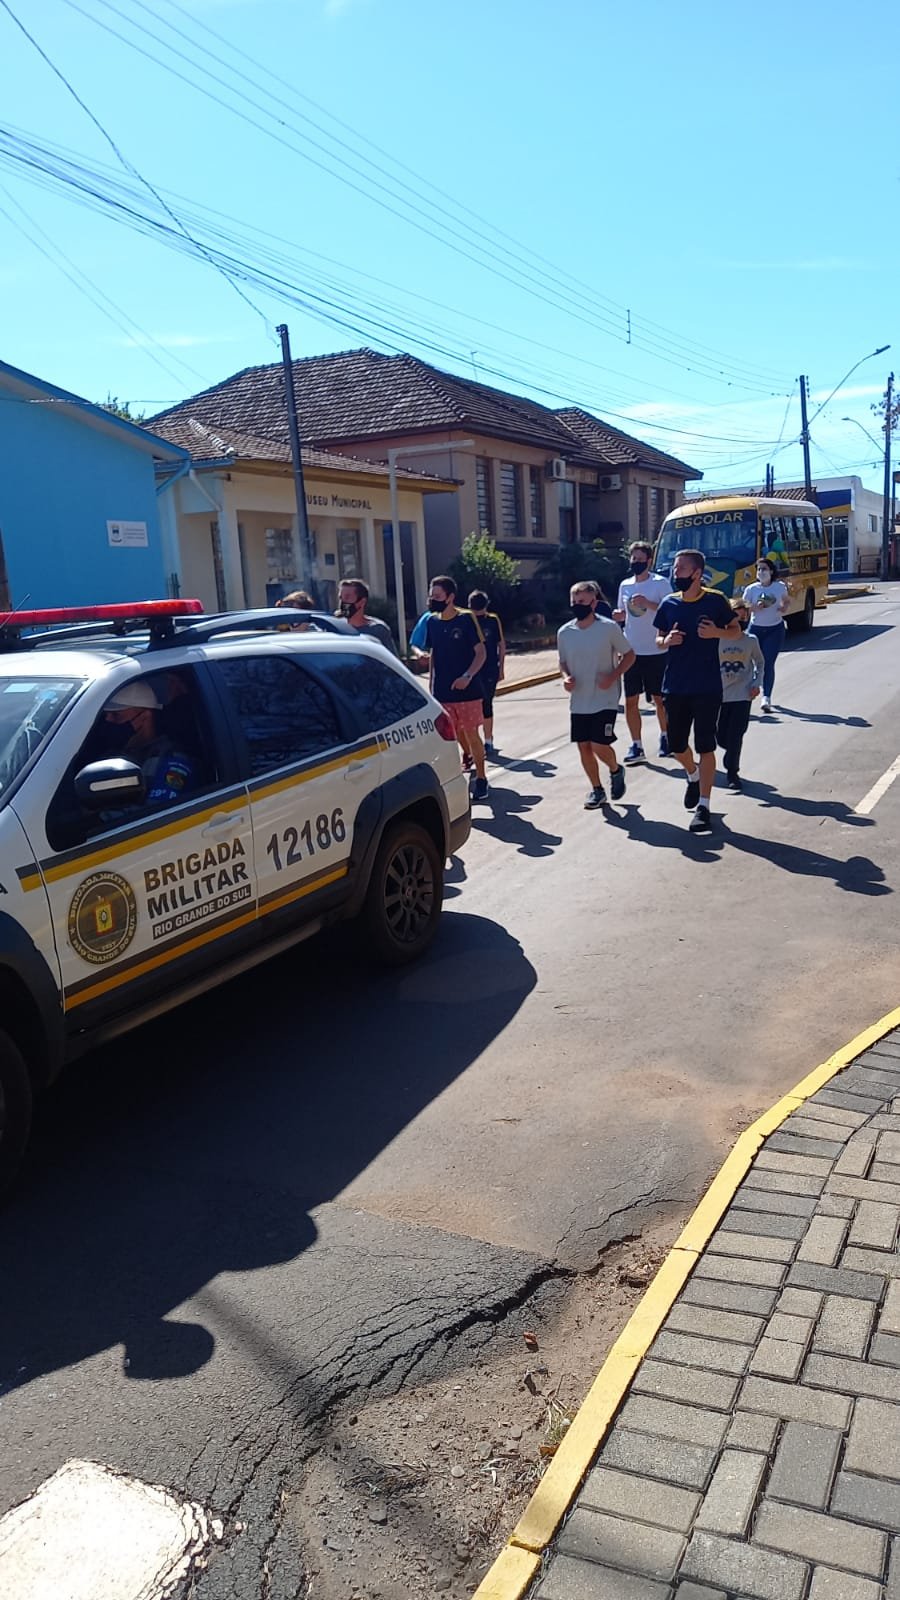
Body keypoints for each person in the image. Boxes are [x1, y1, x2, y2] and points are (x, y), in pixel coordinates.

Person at [654, 550, 741, 834]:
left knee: (705, 746)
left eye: (680, 568)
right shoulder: (668, 604)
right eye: (674, 567)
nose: (674, 572)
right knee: (676, 745)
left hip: (706, 687)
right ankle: (692, 774)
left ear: (696, 573)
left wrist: (716, 632)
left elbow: (736, 630)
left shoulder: (715, 600)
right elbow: (658, 639)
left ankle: (704, 805)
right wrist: (666, 640)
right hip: (675, 686)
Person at [558, 581, 634, 810]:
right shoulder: (565, 632)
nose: (577, 606)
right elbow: (562, 662)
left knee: (599, 743)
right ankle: (597, 789)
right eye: (574, 602)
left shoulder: (609, 628)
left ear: (593, 603)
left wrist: (612, 677)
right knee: (583, 746)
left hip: (605, 696)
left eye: (582, 601)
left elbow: (629, 655)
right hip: (579, 698)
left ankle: (615, 769)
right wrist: (565, 677)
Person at [423, 575, 489, 802]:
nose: (433, 600)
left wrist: (467, 676)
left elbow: (481, 653)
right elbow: (434, 654)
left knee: (471, 734)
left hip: (467, 691)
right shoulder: (431, 621)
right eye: (431, 596)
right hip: (442, 693)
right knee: (451, 736)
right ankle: (464, 762)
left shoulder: (466, 619)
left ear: (450, 597)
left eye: (438, 596)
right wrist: (431, 684)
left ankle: (481, 778)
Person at [613, 540, 671, 763]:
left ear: (649, 560)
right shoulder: (625, 585)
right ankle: (636, 745)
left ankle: (666, 737)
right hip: (632, 651)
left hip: (656, 650)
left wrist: (649, 603)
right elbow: (624, 615)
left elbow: (669, 612)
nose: (635, 562)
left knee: (659, 700)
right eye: (632, 559)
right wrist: (620, 616)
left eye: (639, 559)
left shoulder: (660, 584)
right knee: (630, 701)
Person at [102, 680, 198, 808]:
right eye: (106, 715)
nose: (108, 720)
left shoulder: (171, 761)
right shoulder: (113, 754)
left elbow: (156, 815)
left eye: (116, 715)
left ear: (145, 716)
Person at [717, 598, 764, 792]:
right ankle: (729, 752)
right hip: (720, 695)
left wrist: (756, 683)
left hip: (743, 695)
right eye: (737, 615)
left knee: (736, 735)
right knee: (721, 737)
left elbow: (760, 663)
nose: (741, 620)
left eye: (745, 616)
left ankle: (732, 773)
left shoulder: (750, 641)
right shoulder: (717, 639)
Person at [743, 556, 789, 712]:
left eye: (764, 569)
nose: (761, 572)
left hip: (774, 629)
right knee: (752, 663)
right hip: (755, 629)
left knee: (767, 663)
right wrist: (754, 607)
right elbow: (743, 607)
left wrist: (783, 607)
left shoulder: (779, 587)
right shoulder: (751, 589)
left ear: (771, 571)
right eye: (759, 569)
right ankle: (747, 691)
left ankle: (766, 697)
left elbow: (786, 601)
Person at [468, 589, 506, 758]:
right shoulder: (466, 621)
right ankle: (475, 741)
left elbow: (501, 643)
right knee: (472, 705)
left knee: (486, 703)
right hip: (471, 669)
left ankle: (488, 740)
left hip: (489, 667)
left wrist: (501, 667)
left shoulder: (492, 620)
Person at [336, 577, 399, 656]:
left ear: (362, 602)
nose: (343, 602)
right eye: (341, 598)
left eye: (347, 597)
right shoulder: (334, 627)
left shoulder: (378, 630)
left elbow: (391, 661)